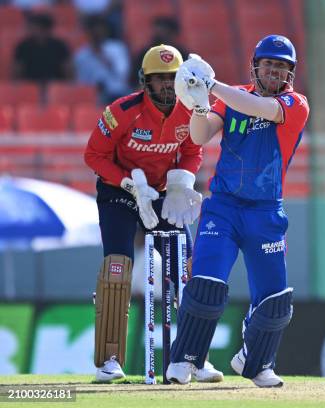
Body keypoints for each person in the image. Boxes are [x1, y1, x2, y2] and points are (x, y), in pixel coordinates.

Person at [166, 34, 309, 388]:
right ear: (255, 66)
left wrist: (211, 85)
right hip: (224, 209)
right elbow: (200, 136)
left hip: (266, 213)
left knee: (275, 299)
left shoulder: (295, 103)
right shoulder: (231, 99)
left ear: (291, 73)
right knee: (207, 285)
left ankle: (256, 362)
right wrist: (199, 104)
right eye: (269, 64)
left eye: (282, 66)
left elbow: (260, 109)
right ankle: (187, 359)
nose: (275, 71)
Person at [83, 44, 222, 383]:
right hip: (120, 191)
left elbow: (192, 150)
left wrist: (181, 183)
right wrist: (128, 183)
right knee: (118, 268)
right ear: (144, 82)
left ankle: (194, 357)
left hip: (162, 192)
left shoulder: (190, 111)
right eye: (158, 80)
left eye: (171, 80)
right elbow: (94, 156)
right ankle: (110, 359)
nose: (165, 87)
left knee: (188, 271)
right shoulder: (122, 110)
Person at [74, 15, 130, 104]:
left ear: (105, 31)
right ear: (88, 32)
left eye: (99, 30)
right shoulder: (81, 55)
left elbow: (122, 74)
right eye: (93, 31)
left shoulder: (117, 48)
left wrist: (102, 56)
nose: (96, 34)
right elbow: (81, 82)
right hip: (94, 97)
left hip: (117, 93)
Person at [13, 12, 72, 82]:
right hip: (30, 85)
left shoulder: (60, 46)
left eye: (34, 27)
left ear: (45, 29)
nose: (30, 29)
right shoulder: (23, 46)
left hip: (54, 84)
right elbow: (17, 70)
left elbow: (67, 69)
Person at [131, 17, 189, 87]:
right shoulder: (145, 54)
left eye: (163, 33)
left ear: (173, 34)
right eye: (157, 33)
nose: (158, 36)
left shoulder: (182, 55)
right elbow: (135, 80)